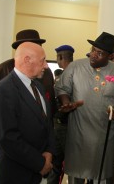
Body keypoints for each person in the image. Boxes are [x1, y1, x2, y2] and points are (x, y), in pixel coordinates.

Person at [55, 32, 114, 184]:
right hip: (79, 131)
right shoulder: (75, 67)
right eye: (93, 49)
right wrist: (66, 102)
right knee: (76, 174)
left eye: (99, 53)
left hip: (104, 133)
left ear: (109, 56)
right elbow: (62, 88)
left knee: (102, 173)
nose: (93, 55)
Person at [0, 29, 56, 160]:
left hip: (40, 149)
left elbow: (48, 111)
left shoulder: (46, 73)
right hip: (15, 152)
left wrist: (49, 149)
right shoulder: (2, 71)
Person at [0, 42, 54, 184]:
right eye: (43, 60)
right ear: (27, 60)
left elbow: (47, 123)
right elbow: (8, 138)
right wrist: (40, 164)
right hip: (16, 172)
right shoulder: (3, 90)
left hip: (38, 169)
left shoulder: (38, 86)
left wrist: (49, 152)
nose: (46, 66)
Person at [47, 45, 75, 184]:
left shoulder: (63, 77)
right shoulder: (78, 74)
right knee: (69, 164)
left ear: (60, 57)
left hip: (63, 126)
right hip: (72, 125)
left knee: (58, 164)